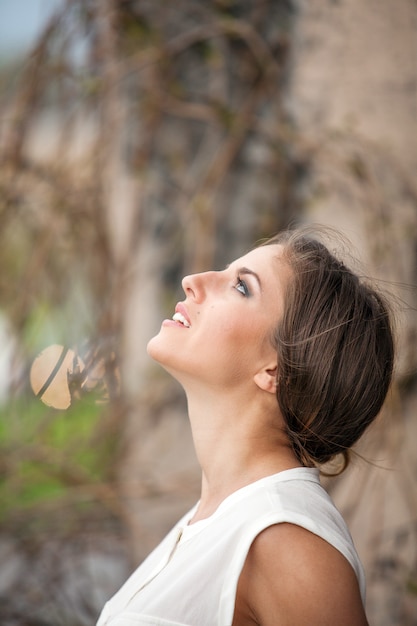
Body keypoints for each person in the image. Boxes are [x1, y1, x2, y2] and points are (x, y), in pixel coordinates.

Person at [97, 226, 394, 626]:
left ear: (277, 370)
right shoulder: (212, 518)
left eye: (241, 287)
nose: (193, 281)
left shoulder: (287, 539)